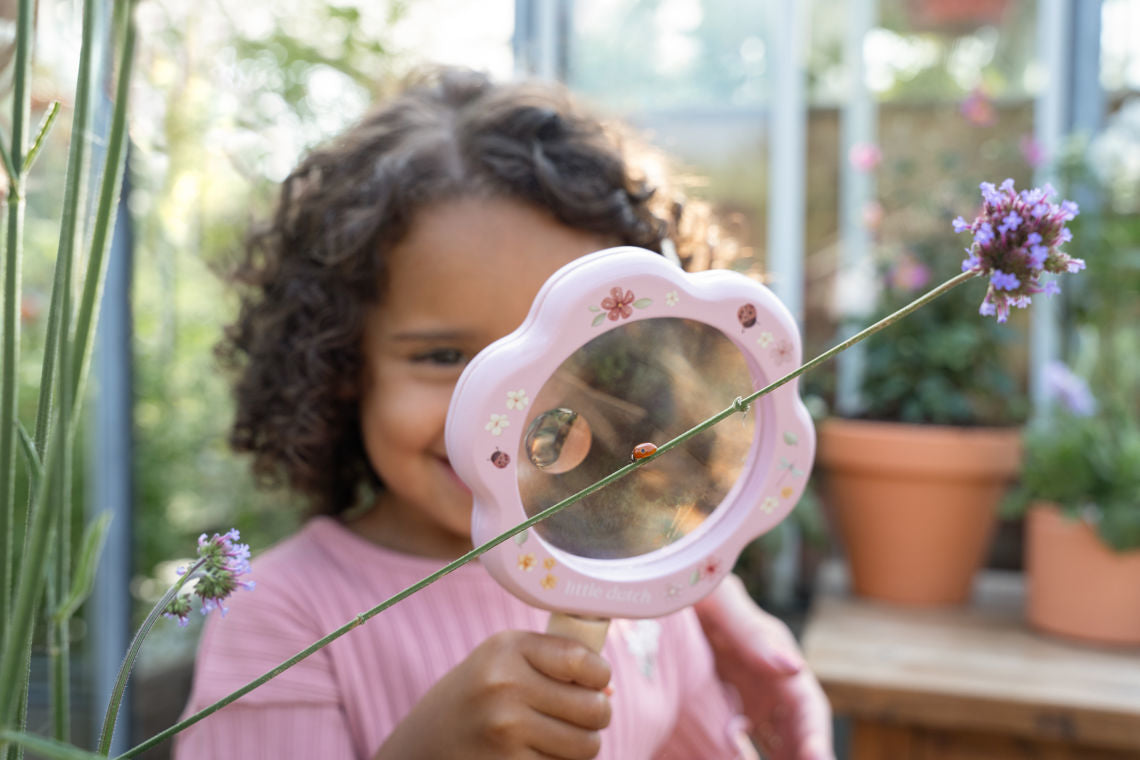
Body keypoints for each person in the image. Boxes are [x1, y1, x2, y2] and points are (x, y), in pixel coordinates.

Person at [174, 66, 833, 760]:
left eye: (575, 358)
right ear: (341, 366)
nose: (510, 413)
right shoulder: (282, 617)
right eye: (444, 356)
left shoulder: (639, 584)